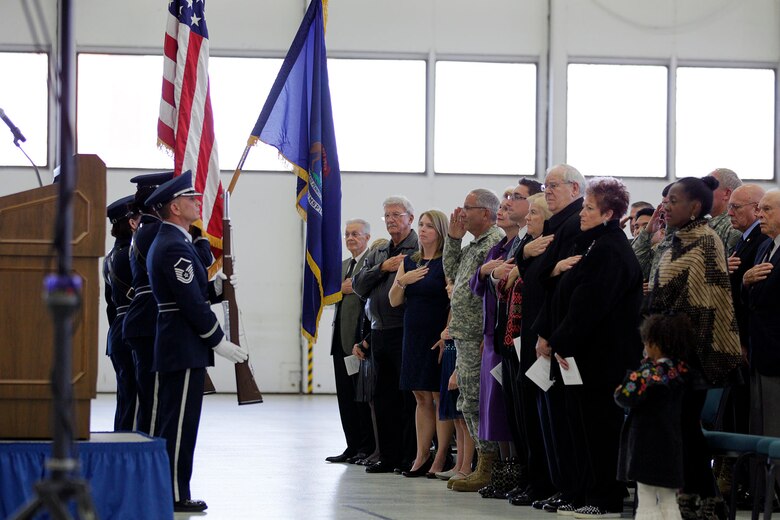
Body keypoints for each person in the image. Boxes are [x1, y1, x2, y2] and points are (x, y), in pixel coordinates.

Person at [536, 177, 643, 518]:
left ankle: (605, 498)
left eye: (590, 208)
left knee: (599, 428)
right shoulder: (594, 244)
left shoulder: (611, 249)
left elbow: (590, 307)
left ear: (609, 213)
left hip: (603, 357)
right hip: (581, 354)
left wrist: (557, 340)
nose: (582, 213)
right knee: (579, 426)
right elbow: (569, 299)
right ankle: (583, 491)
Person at [145, 171, 248, 513]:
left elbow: (193, 292)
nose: (197, 202)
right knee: (177, 425)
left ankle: (171, 488)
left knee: (180, 422)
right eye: (191, 199)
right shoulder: (173, 245)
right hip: (182, 344)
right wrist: (218, 341)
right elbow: (189, 303)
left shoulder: (177, 242)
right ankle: (174, 493)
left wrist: (217, 287)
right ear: (175, 207)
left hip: (182, 344)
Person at [646, 176, 743, 520]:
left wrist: (671, 351)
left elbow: (707, 303)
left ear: (695, 207)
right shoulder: (674, 240)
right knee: (678, 433)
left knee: (684, 432)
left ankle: (706, 505)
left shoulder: (705, 241)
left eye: (674, 200)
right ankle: (692, 502)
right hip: (670, 353)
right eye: (666, 199)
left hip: (694, 356)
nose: (666, 206)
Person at [528, 164, 587, 514]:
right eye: (545, 185)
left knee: (567, 420)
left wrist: (549, 333)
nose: (547, 190)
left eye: (554, 185)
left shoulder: (575, 224)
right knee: (550, 416)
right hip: (547, 329)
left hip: (562, 335)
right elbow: (538, 275)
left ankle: (570, 486)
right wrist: (537, 263)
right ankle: (560, 484)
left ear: (575, 189)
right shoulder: (558, 224)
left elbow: (565, 287)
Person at [352, 196, 419, 474]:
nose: (391, 220)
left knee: (408, 398)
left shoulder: (417, 249)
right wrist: (383, 268)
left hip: (405, 329)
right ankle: (388, 456)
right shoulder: (379, 252)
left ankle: (410, 456)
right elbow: (358, 285)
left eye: (396, 215)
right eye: (387, 216)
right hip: (379, 331)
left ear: (410, 219)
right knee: (383, 398)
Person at [443, 188, 503, 493]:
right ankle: (483, 464)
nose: (461, 212)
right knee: (468, 399)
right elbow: (451, 273)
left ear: (486, 213)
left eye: (468, 207)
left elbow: (492, 294)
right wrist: (453, 240)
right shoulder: (473, 245)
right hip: (465, 336)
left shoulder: (493, 242)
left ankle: (487, 465)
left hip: (479, 336)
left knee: (476, 401)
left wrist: (486, 334)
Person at [388, 209, 451, 477]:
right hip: (412, 334)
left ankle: (441, 456)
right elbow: (394, 300)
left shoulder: (446, 261)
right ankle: (421, 455)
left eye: (429, 226)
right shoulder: (411, 261)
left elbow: (453, 300)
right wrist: (402, 281)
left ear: (440, 231)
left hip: (436, 334)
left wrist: (447, 331)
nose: (423, 230)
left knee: (438, 395)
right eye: (421, 225)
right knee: (420, 395)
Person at [469, 193, 523, 498]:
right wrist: (485, 271)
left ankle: (512, 469)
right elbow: (475, 287)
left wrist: (496, 273)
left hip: (508, 332)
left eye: (507, 207)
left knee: (505, 406)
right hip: (491, 334)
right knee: (491, 406)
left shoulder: (519, 246)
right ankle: (501, 469)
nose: (502, 211)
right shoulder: (497, 247)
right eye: (500, 207)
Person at [504, 192, 556, 507]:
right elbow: (505, 282)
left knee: (543, 419)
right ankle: (531, 479)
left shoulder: (549, 248)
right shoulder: (528, 247)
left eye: (534, 213)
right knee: (525, 417)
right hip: (520, 340)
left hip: (542, 340)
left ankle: (545, 482)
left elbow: (536, 286)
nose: (527, 218)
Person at [616, 313, 693, 520]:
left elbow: (623, 396)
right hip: (672, 444)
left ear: (655, 345)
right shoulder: (681, 370)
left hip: (645, 446)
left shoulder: (646, 374)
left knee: (646, 498)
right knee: (669, 499)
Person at [123, 171, 175, 435]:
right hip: (149, 320)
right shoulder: (154, 230)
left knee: (149, 397)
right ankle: (150, 459)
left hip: (142, 319)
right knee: (154, 400)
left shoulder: (144, 229)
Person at [325, 219, 374, 464]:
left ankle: (366, 446)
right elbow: (328, 296)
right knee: (345, 398)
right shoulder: (343, 265)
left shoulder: (371, 262)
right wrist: (339, 290)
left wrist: (350, 288)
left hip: (359, 341)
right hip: (340, 341)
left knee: (361, 398)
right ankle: (351, 445)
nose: (350, 238)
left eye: (355, 234)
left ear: (367, 237)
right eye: (347, 234)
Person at [103, 195, 141, 431]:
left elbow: (110, 305)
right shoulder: (130, 254)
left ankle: (122, 447)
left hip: (119, 329)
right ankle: (128, 452)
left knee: (127, 399)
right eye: (140, 217)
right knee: (135, 402)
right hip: (131, 330)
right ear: (132, 223)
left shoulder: (111, 256)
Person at [705, 168, 742, 252]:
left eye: (709, 187)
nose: (703, 192)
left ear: (726, 193)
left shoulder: (733, 227)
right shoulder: (705, 223)